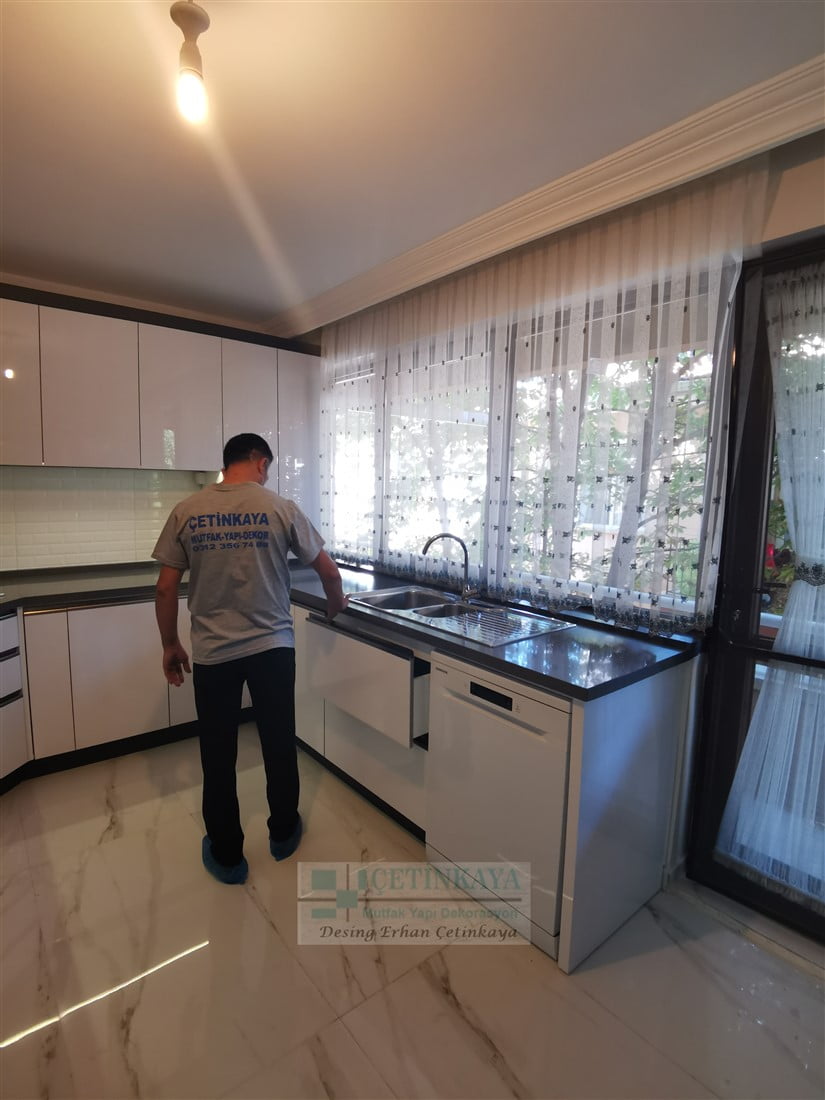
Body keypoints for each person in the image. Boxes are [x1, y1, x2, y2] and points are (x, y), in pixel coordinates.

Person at [152, 432, 347, 885]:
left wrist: (170, 644)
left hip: (213, 654)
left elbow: (164, 588)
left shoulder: (187, 510)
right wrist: (336, 605)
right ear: (260, 462)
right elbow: (329, 572)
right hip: (272, 649)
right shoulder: (280, 508)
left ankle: (226, 855)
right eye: (268, 469)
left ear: (227, 463)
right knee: (279, 743)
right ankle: (283, 832)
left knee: (217, 754)